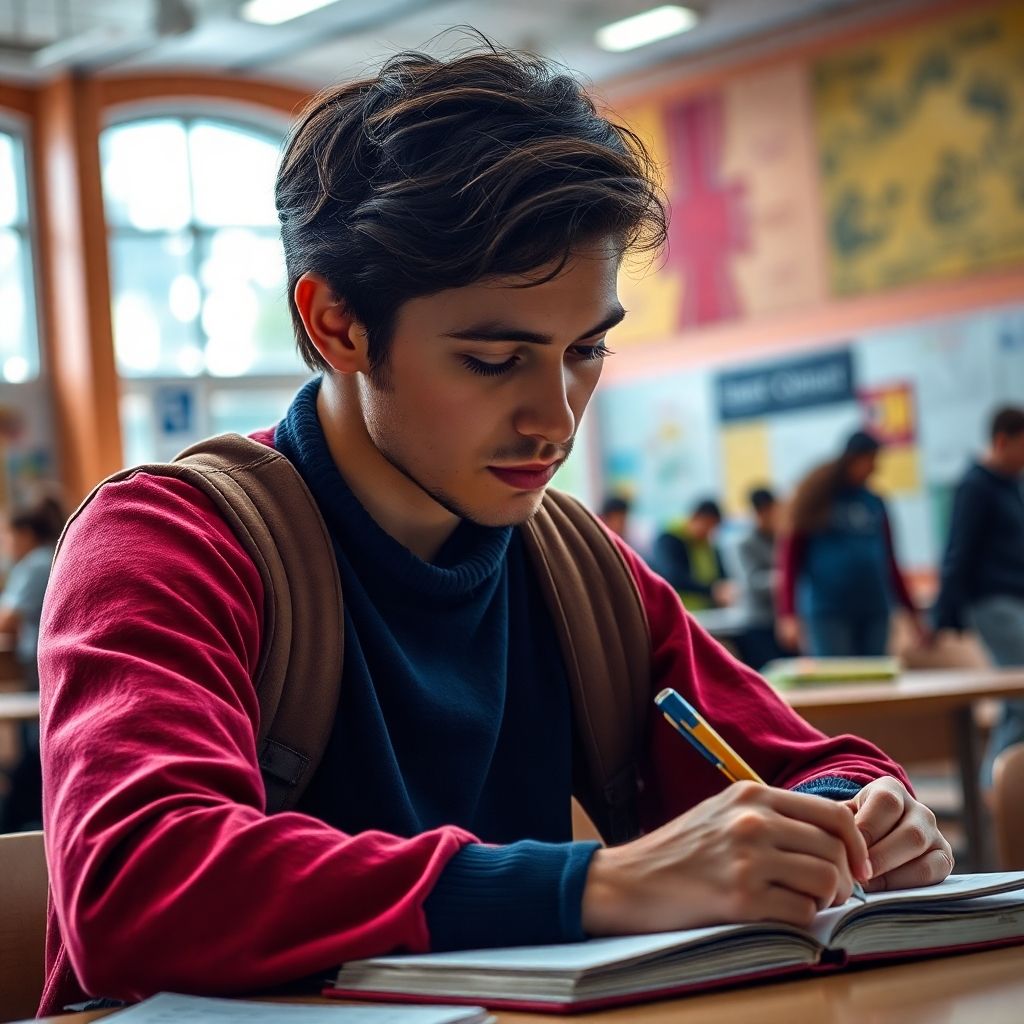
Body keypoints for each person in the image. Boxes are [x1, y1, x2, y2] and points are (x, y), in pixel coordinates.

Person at [37, 46, 951, 1016]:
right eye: (491, 358)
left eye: (585, 348)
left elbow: (798, 764)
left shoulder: (572, 564)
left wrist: (860, 810)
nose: (555, 418)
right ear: (337, 325)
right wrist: (594, 885)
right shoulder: (170, 542)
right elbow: (134, 884)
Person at [933, 405, 1024, 783]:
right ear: (1001, 441)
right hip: (992, 603)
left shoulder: (1011, 485)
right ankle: (995, 786)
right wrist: (943, 614)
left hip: (1014, 600)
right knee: (1019, 692)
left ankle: (997, 782)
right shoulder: (975, 485)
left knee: (1015, 698)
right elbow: (959, 550)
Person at [778, 431, 928, 657]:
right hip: (829, 612)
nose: (873, 468)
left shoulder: (875, 502)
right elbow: (790, 560)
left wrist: (912, 613)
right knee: (836, 684)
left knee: (876, 683)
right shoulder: (817, 497)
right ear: (853, 458)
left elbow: (890, 561)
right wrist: (788, 614)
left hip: (874, 609)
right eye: (870, 460)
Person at [0, 496, 65, 831]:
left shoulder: (36, 563)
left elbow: (8, 620)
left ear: (24, 533)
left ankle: (23, 826)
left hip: (42, 677)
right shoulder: (44, 559)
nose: (7, 544)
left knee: (35, 759)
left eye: (8, 535)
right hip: (40, 673)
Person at [735, 487, 788, 670]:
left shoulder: (783, 539)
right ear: (760, 512)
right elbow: (752, 582)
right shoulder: (745, 544)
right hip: (759, 622)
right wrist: (786, 579)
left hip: (783, 620)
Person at [651, 498, 731, 611]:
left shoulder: (707, 544)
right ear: (695, 517)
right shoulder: (669, 539)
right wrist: (711, 590)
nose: (709, 531)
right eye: (707, 525)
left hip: (707, 611)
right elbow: (674, 576)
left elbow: (720, 574)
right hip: (678, 610)